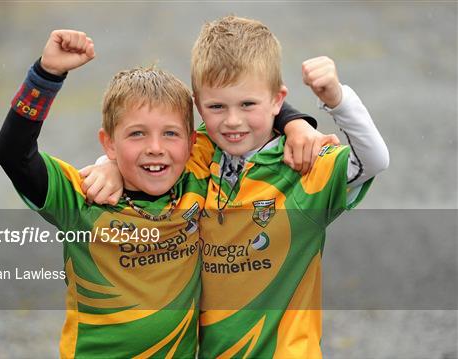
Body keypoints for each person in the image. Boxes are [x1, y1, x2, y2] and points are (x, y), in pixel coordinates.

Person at [86, 16, 389, 358]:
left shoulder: (300, 164)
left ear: (277, 101)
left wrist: (337, 100)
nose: (232, 121)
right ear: (198, 105)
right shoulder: (196, 155)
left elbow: (374, 160)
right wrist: (108, 166)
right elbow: (146, 159)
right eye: (217, 107)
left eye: (247, 105)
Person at [0, 29, 216, 358]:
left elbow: (248, 111)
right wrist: (45, 75)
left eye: (170, 133)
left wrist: (297, 122)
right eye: (137, 134)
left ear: (191, 142)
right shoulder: (84, 197)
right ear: (108, 142)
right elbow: (13, 154)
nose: (155, 148)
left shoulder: (196, 175)